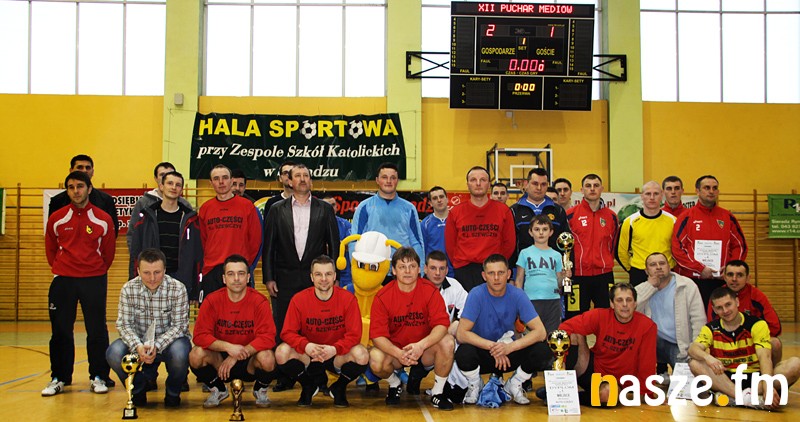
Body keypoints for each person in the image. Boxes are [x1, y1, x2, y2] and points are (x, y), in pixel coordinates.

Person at [42, 171, 116, 397]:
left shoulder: (102, 219)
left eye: (80, 186)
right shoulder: (57, 218)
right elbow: (50, 250)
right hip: (63, 280)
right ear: (67, 190)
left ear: (89, 189)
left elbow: (108, 253)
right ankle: (59, 377)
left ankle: (98, 376)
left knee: (96, 330)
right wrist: (65, 269)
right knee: (61, 330)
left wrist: (93, 270)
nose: (76, 191)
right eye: (71, 187)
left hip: (94, 279)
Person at [262, 163, 339, 361]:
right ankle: (285, 370)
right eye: (298, 175)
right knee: (284, 325)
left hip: (317, 279)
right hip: (284, 278)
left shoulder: (325, 209)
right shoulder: (276, 210)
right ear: (289, 181)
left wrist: (334, 276)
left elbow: (334, 244)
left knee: (316, 325)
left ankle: (317, 368)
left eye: (306, 175)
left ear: (311, 181)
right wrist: (269, 277)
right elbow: (268, 246)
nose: (302, 179)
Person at [457, 254, 553, 405]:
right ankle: (475, 383)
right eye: (491, 273)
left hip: (509, 353)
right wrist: (494, 347)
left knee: (543, 351)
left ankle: (515, 383)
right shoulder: (476, 294)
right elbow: (461, 334)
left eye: (500, 273)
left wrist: (509, 347)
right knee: (463, 353)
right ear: (484, 276)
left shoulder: (518, 294)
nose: (496, 278)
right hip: (484, 352)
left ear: (508, 274)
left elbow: (540, 332)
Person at [369, 247, 455, 410]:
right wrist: (398, 353)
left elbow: (442, 325)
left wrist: (421, 346)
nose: (407, 271)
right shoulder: (382, 296)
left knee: (448, 342)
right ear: (394, 271)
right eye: (402, 267)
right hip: (396, 352)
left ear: (419, 269)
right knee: (375, 358)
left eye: (412, 266)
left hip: (424, 350)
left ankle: (437, 393)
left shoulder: (430, 291)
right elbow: (377, 336)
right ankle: (394, 384)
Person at [275, 256, 369, 407]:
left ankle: (339, 388)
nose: (324, 279)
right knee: (281, 352)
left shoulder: (348, 299)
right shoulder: (299, 299)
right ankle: (308, 385)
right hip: (310, 354)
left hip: (336, 354)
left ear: (335, 276)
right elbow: (287, 332)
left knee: (362, 354)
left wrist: (334, 349)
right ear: (312, 277)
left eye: (328, 274)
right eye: (318, 274)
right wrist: (306, 346)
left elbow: (354, 335)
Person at [689, 287, 800, 410]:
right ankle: (747, 398)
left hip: (755, 378)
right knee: (695, 363)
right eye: (719, 308)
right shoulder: (710, 328)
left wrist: (767, 386)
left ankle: (734, 398)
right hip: (726, 378)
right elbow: (693, 349)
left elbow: (765, 357)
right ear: (714, 310)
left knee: (795, 364)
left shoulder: (757, 324)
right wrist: (708, 357)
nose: (725, 311)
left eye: (728, 305)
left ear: (737, 302)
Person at [105, 248, 191, 407]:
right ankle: (137, 390)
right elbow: (124, 325)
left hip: (169, 343)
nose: (152, 278)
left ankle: (173, 393)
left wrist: (156, 346)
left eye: (157, 272)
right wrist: (137, 346)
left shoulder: (178, 289)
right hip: (138, 342)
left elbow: (179, 327)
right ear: (138, 271)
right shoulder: (128, 289)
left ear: (165, 270)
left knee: (180, 353)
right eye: (146, 273)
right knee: (114, 353)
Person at [189, 255, 277, 408]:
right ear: (224, 278)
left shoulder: (259, 301)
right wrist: (228, 348)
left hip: (249, 360)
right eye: (231, 274)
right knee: (196, 355)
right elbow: (199, 336)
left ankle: (260, 389)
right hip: (221, 361)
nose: (236, 278)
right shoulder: (212, 300)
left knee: (268, 357)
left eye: (241, 273)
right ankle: (218, 389)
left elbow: (268, 337)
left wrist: (238, 354)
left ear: (248, 277)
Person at [550, 283, 657, 405]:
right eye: (619, 300)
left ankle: (568, 396)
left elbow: (647, 362)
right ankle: (562, 386)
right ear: (612, 304)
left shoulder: (647, 326)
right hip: (594, 370)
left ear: (635, 303)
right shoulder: (600, 315)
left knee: (607, 394)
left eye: (629, 300)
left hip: (620, 381)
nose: (625, 305)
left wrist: (646, 393)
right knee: (574, 334)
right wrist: (562, 363)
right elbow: (564, 327)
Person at [672, 175, 748, 309]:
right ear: (697, 191)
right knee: (694, 317)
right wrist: (699, 269)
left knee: (722, 315)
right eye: (707, 188)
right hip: (694, 280)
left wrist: (729, 267)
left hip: (721, 280)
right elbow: (677, 249)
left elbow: (740, 245)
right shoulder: (686, 217)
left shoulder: (727, 216)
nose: (711, 191)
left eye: (714, 188)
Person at [128, 171, 203, 300]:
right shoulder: (146, 217)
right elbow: (136, 251)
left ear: (181, 190)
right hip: (153, 277)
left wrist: (195, 287)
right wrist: (133, 278)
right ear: (161, 186)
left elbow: (197, 254)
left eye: (178, 185)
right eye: (170, 183)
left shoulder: (190, 219)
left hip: (180, 278)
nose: (174, 187)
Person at [197, 164, 262, 301]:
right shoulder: (205, 208)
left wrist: (244, 264)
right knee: (211, 312)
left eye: (225, 178)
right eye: (216, 178)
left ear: (231, 180)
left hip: (238, 269)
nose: (221, 182)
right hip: (212, 271)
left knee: (241, 311)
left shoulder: (247, 206)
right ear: (211, 183)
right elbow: (203, 241)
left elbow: (255, 241)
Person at [445, 166, 516, 291]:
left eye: (483, 180)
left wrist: (497, 263)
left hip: (493, 269)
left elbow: (509, 243)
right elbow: (450, 245)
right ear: (467, 184)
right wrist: (459, 263)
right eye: (473, 180)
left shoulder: (503, 211)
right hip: (464, 270)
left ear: (489, 185)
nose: (478, 183)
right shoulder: (455, 212)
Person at [635, 252, 705, 377]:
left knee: (689, 382)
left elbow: (698, 319)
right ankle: (657, 377)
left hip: (679, 344)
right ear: (646, 271)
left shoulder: (686, 285)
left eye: (662, 263)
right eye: (653, 265)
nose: (658, 267)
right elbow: (630, 311)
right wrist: (650, 286)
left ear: (669, 266)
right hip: (652, 343)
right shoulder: (642, 289)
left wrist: (696, 348)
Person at [351, 162, 424, 280]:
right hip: (372, 270)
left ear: (397, 181)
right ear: (377, 180)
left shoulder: (409, 208)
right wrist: (356, 269)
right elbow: (354, 240)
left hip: (402, 271)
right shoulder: (365, 207)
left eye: (393, 178)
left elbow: (416, 242)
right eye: (384, 177)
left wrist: (420, 271)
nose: (389, 181)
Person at [706, 260, 783, 363]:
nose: (734, 279)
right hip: (725, 344)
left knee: (775, 343)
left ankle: (768, 371)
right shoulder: (717, 297)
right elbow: (712, 327)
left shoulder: (757, 296)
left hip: (751, 342)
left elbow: (775, 327)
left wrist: (748, 338)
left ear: (748, 278)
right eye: (730, 274)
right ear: (724, 277)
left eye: (739, 275)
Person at [565, 174, 618, 318]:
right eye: (588, 186)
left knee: (607, 316)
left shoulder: (611, 216)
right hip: (577, 275)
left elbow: (613, 245)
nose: (592, 189)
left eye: (596, 185)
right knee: (575, 317)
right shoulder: (570, 215)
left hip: (604, 275)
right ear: (582, 190)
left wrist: (605, 262)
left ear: (602, 189)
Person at [616, 181, 676, 286]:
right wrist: (633, 270)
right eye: (648, 194)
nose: (652, 197)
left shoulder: (673, 221)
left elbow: (678, 250)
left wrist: (669, 267)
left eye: (656, 194)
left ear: (662, 195)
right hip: (639, 273)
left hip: (666, 273)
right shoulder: (629, 222)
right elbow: (621, 252)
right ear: (642, 196)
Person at [514, 215, 565, 334]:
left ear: (551, 232)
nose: (541, 233)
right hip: (531, 300)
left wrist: (564, 276)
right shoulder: (525, 253)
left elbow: (559, 283)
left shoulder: (557, 255)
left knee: (551, 335)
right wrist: (519, 302)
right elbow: (519, 280)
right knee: (532, 336)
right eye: (537, 229)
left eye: (545, 229)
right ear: (530, 232)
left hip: (553, 301)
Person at [48, 154, 119, 237]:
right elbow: (52, 233)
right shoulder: (57, 201)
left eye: (88, 168)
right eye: (80, 167)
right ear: (71, 170)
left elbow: (112, 232)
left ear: (93, 172)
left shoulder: (106, 200)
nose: (84, 170)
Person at [127, 162, 192, 250]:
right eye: (162, 175)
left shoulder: (185, 205)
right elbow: (133, 233)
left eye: (170, 174)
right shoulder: (143, 203)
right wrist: (137, 257)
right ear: (156, 178)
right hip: (151, 257)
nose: (166, 177)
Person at [510, 168, 570, 253]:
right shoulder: (514, 211)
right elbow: (509, 243)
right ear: (526, 184)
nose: (539, 188)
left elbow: (566, 240)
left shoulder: (558, 210)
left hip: (552, 261)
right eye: (535, 184)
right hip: (523, 261)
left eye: (543, 184)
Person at [421, 186, 454, 278]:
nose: (439, 200)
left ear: (447, 199)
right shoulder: (425, 224)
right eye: (435, 198)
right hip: (434, 272)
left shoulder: (456, 220)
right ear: (430, 203)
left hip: (455, 270)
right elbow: (423, 250)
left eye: (441, 197)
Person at [321, 194, 353, 289]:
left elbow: (351, 246)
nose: (331, 208)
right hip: (322, 270)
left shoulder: (345, 224)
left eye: (333, 205)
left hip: (344, 272)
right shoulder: (316, 224)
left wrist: (331, 244)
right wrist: (340, 244)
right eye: (327, 205)